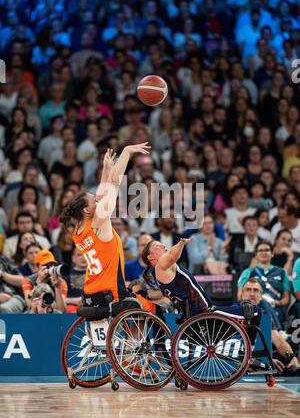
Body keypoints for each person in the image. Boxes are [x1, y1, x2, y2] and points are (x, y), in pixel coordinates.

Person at [60, 143, 150, 307]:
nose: (97, 199)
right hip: (111, 290)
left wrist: (106, 169)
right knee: (148, 308)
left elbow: (103, 192)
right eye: (94, 200)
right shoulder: (99, 220)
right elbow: (114, 184)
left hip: (91, 291)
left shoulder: (78, 231)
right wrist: (127, 151)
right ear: (87, 210)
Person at [141, 238, 261, 339]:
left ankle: (247, 355)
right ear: (151, 257)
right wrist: (181, 243)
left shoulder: (162, 271)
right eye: (157, 246)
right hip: (204, 316)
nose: (162, 245)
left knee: (246, 308)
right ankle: (249, 357)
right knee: (254, 310)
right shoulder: (160, 267)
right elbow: (172, 256)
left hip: (200, 316)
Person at [242, 278, 300, 376]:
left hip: (258, 363)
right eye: (248, 290)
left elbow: (278, 341)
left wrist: (291, 357)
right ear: (242, 294)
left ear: (261, 296)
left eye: (256, 290)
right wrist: (263, 361)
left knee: (290, 368)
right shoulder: (231, 315)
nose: (252, 294)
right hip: (236, 364)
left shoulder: (264, 318)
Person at [237, 241, 291, 327]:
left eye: (267, 250)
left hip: (276, 308)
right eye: (260, 250)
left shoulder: (282, 272)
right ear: (256, 254)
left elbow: (286, 299)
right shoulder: (248, 272)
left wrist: (276, 302)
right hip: (254, 307)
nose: (263, 252)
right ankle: (279, 332)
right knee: (263, 301)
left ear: (272, 253)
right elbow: (240, 296)